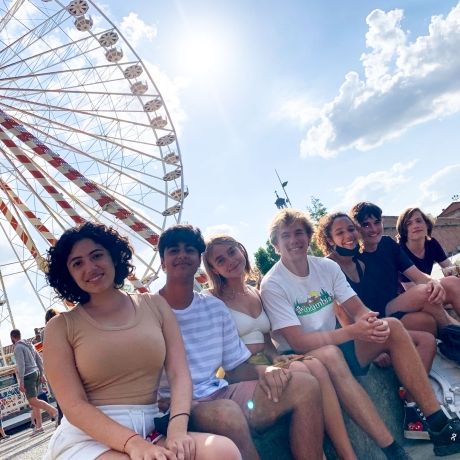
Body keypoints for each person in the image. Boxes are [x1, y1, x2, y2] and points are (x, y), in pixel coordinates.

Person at [260, 208, 460, 458]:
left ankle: (440, 426)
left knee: (392, 327)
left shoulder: (325, 268)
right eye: (285, 235)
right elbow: (298, 341)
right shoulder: (273, 284)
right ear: (276, 244)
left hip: (336, 342)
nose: (294, 240)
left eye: (299, 232)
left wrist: (371, 325)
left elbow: (358, 309)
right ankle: (392, 450)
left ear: (308, 237)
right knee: (331, 354)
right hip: (303, 355)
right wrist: (354, 332)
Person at [43, 221, 239, 460]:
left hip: (151, 426)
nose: (91, 267)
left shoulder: (155, 305)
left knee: (222, 451)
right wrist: (132, 443)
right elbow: (74, 406)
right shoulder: (60, 327)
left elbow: (179, 373)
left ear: (113, 257)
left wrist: (177, 428)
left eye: (97, 256)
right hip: (90, 438)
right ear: (69, 274)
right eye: (77, 263)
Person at [158, 224, 324, 460]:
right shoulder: (149, 310)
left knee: (305, 385)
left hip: (219, 393)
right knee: (228, 414)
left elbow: (233, 368)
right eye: (174, 250)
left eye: (190, 250)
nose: (183, 255)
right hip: (180, 406)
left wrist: (264, 370)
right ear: (162, 261)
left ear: (198, 262)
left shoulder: (213, 307)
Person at [203, 234, 356, 459]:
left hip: (265, 360)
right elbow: (220, 355)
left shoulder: (255, 292)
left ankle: (343, 450)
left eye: (232, 252)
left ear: (241, 250)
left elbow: (266, 341)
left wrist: (276, 358)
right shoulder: (212, 300)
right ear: (214, 270)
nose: (230, 261)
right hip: (240, 368)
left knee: (315, 366)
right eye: (220, 260)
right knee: (303, 371)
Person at [315, 212, 437, 440]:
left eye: (350, 229)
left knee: (428, 339)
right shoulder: (327, 266)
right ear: (329, 239)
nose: (348, 236)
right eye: (339, 232)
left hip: (367, 329)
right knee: (421, 337)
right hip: (348, 340)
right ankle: (416, 412)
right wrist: (373, 343)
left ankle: (411, 408)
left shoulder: (359, 262)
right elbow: (340, 311)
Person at [350, 202, 458, 336]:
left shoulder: (387, 244)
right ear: (356, 228)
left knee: (451, 282)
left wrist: (433, 282)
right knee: (426, 314)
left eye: (377, 222)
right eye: (366, 224)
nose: (373, 229)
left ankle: (455, 332)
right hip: (377, 313)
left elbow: (418, 276)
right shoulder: (353, 255)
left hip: (396, 303)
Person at [396, 207, 460, 315]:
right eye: (409, 223)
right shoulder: (399, 252)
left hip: (428, 289)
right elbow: (412, 290)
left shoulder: (431, 243)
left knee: (454, 283)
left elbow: (450, 269)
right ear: (404, 230)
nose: (415, 226)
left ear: (426, 224)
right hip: (406, 299)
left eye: (419, 221)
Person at [10, 328, 57, 437]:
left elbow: (21, 365)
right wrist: (41, 374)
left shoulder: (18, 347)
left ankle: (54, 411)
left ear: (12, 338)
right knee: (34, 403)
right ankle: (39, 426)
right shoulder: (29, 344)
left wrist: (21, 381)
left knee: (33, 401)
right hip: (35, 373)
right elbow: (39, 360)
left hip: (28, 376)